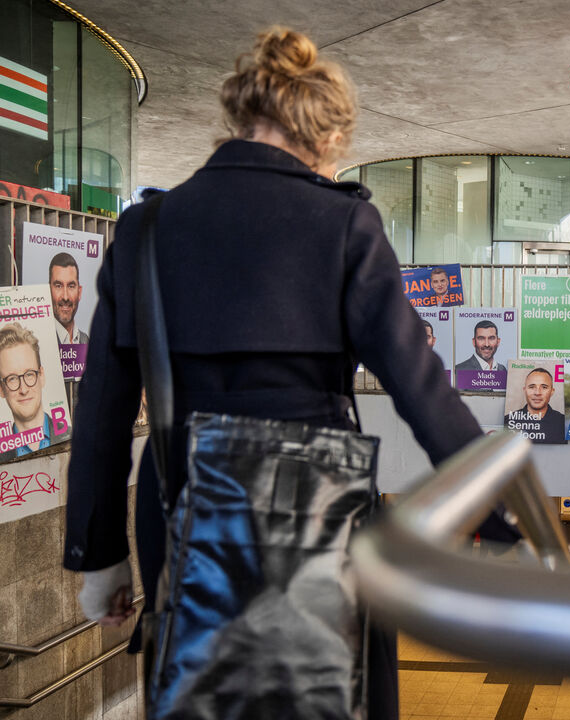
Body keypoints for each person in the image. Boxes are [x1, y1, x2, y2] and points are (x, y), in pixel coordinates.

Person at [61, 29, 514, 720]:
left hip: (181, 502)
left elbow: (102, 408)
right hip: (319, 509)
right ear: (325, 140)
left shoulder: (145, 230)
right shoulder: (345, 223)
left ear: (240, 120)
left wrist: (98, 554)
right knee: (338, 693)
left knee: (196, 693)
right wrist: (498, 510)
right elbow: (420, 384)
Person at [0, 323, 70, 461]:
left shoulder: (72, 436)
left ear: (41, 376)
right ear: (1, 389)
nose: (24, 389)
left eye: (29, 374)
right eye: (12, 378)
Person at [505, 366, 566, 443]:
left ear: (552, 391)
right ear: (525, 390)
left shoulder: (564, 424)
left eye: (544, 387)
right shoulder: (508, 422)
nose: (537, 393)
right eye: (531, 387)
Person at [50, 253, 89, 344]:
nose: (65, 297)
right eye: (58, 286)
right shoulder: (40, 341)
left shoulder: (86, 341)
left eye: (71, 286)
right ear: (49, 291)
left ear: (79, 292)